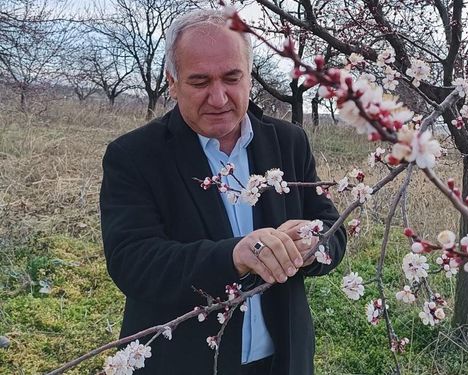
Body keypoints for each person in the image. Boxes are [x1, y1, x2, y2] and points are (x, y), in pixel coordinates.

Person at [99, 8, 346, 375]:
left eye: (232, 78)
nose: (218, 98)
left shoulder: (288, 141)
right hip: (184, 363)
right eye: (199, 82)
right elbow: (133, 262)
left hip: (283, 361)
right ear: (172, 82)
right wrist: (233, 255)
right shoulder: (134, 156)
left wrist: (313, 246)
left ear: (250, 77)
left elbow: (332, 225)